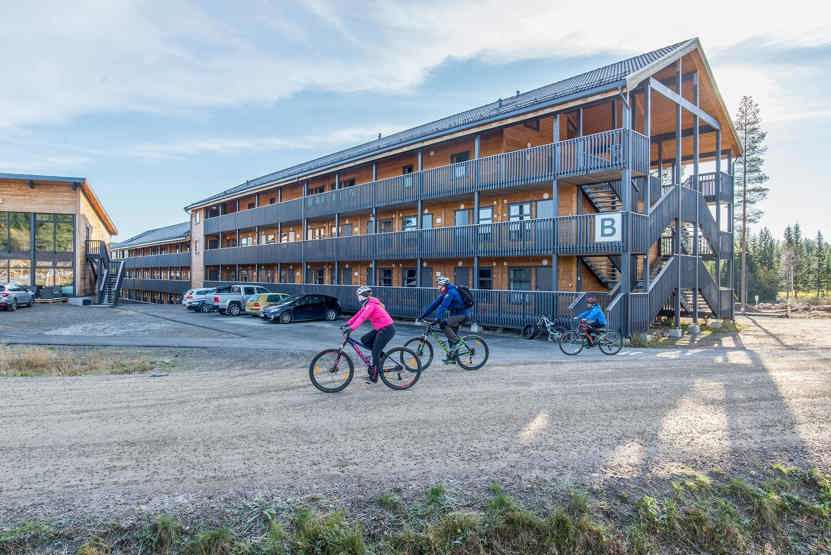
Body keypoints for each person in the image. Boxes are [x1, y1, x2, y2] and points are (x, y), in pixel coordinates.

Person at [342, 286, 395, 383]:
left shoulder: (371, 305)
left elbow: (362, 318)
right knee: (365, 340)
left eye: (358, 295)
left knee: (375, 351)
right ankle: (380, 356)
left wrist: (352, 328)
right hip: (381, 328)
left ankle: (375, 376)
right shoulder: (366, 304)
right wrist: (348, 324)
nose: (357, 297)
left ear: (362, 296)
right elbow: (358, 315)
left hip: (387, 329)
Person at [419, 276, 471, 363]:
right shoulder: (445, 293)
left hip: (462, 315)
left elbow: (443, 307)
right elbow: (434, 305)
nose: (438, 287)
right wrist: (423, 315)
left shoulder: (451, 292)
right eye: (438, 285)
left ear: (444, 285)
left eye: (439, 285)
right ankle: (452, 358)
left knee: (443, 324)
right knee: (451, 336)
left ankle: (457, 342)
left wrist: (437, 318)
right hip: (454, 315)